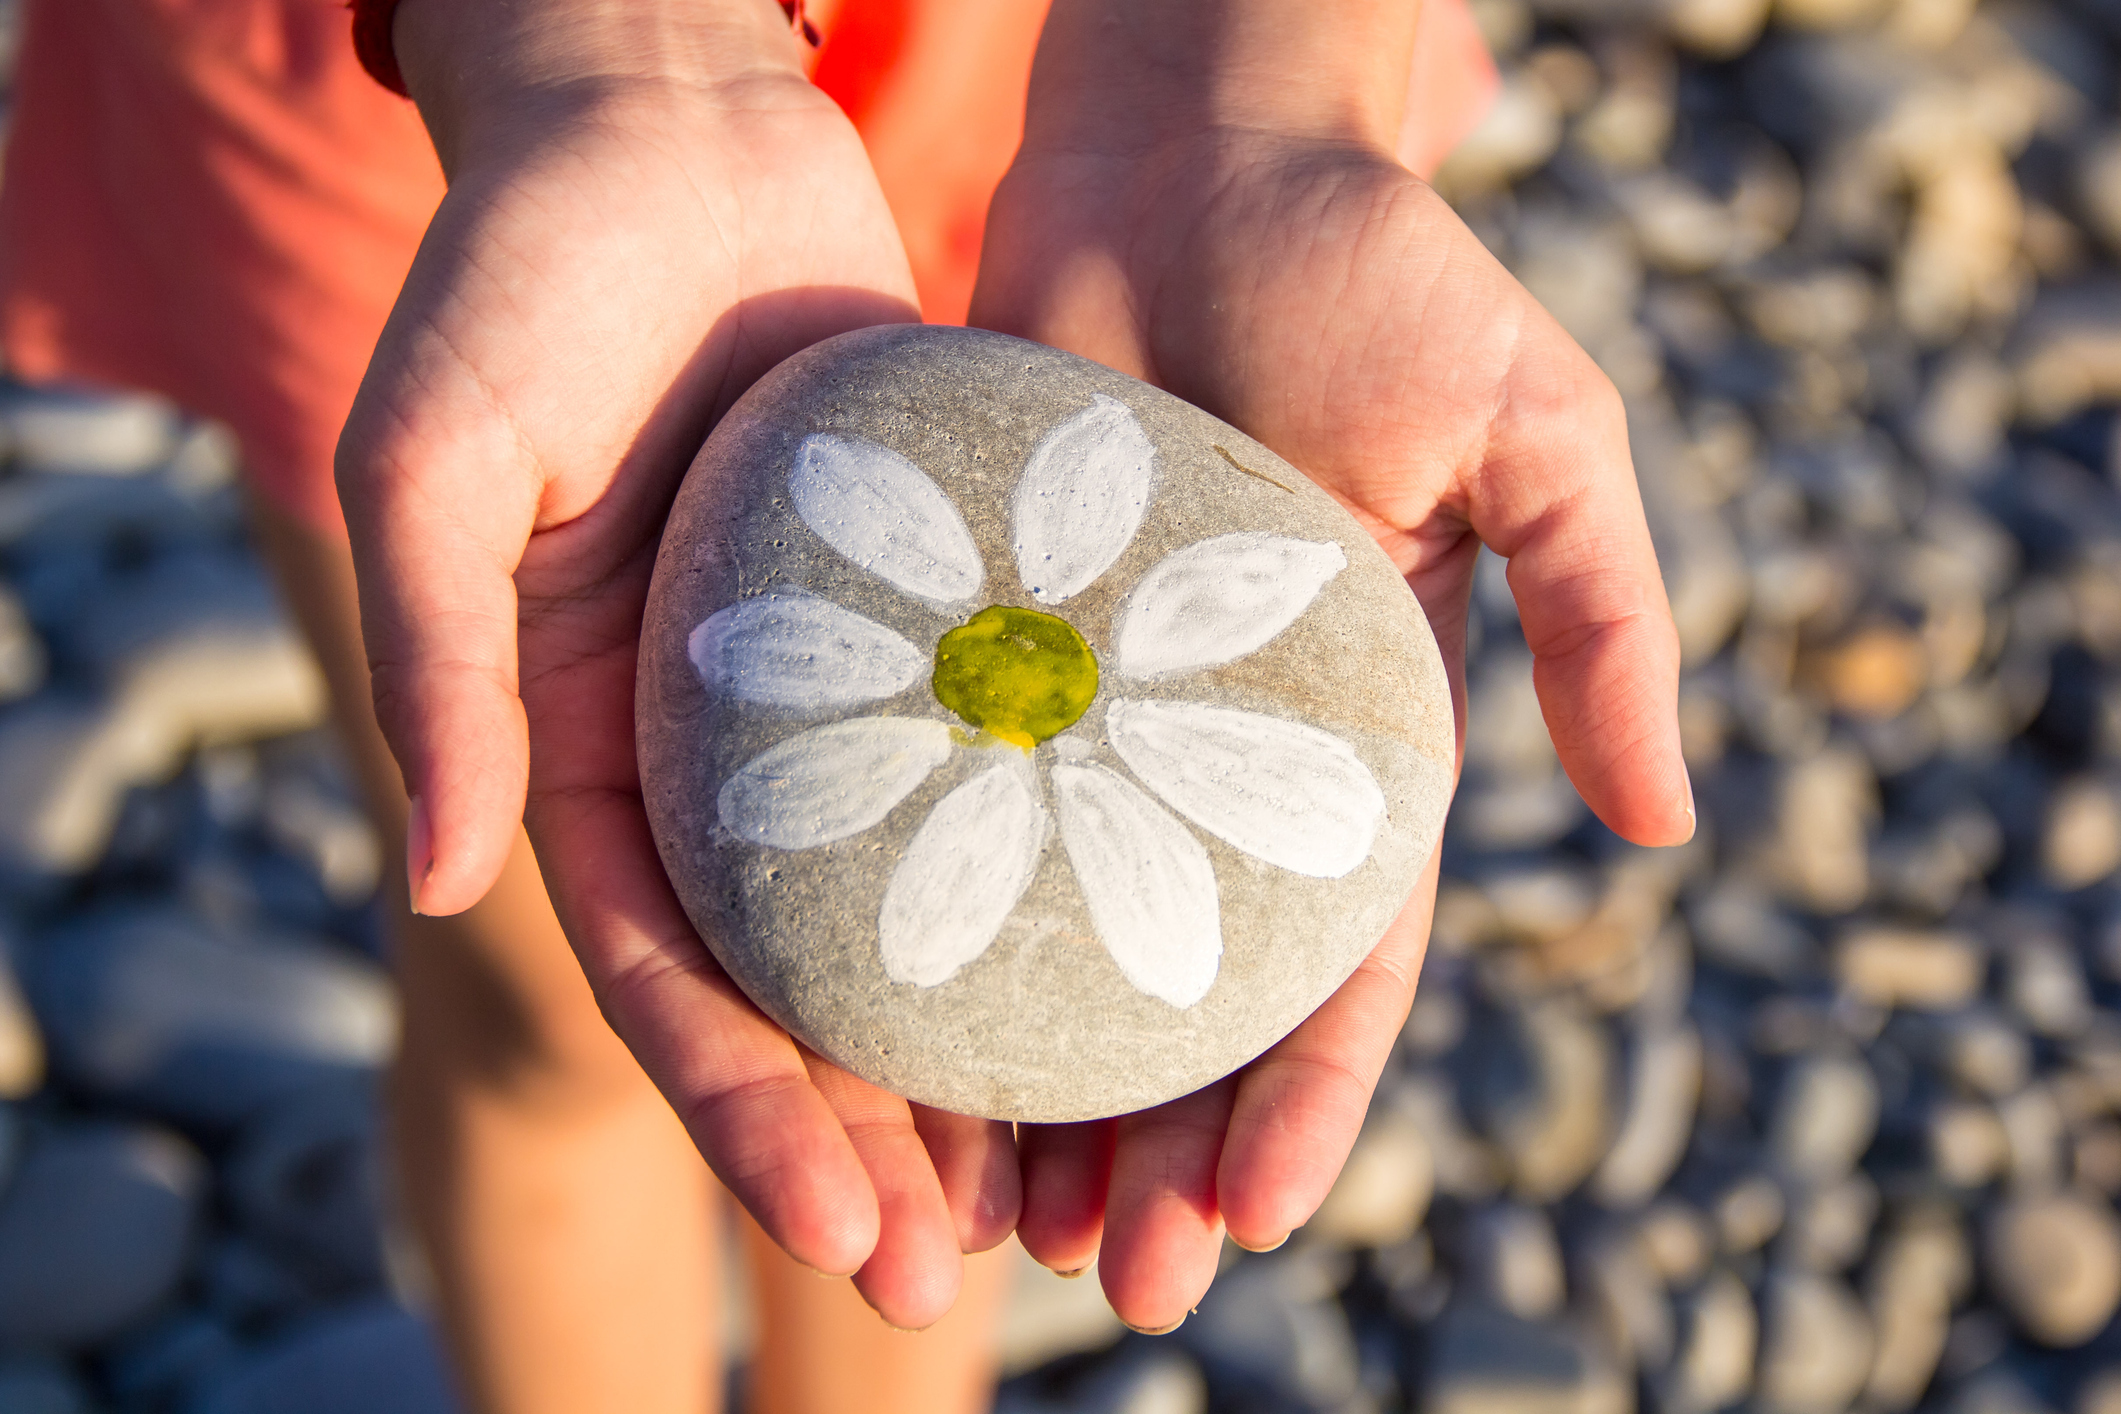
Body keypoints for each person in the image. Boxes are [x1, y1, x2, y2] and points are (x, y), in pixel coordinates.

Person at [0, 1, 1693, 1411]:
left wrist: (1235, 81)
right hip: (459, 82)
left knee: (926, 1103)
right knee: (554, 1007)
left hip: (1067, 67)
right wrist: (615, 53)